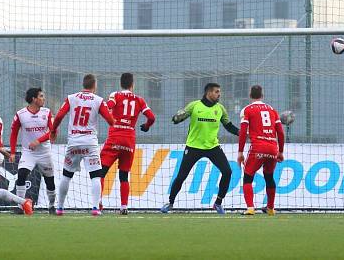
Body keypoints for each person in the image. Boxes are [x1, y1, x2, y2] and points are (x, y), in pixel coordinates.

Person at [161, 83, 239, 214]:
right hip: (193, 147)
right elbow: (178, 118)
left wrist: (241, 133)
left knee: (228, 172)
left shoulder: (220, 108)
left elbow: (229, 126)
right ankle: (170, 202)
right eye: (216, 92)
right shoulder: (194, 105)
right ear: (208, 93)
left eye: (219, 92)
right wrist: (176, 118)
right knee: (181, 176)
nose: (219, 94)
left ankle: (218, 203)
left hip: (213, 147)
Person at [51, 74, 115, 216]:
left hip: (73, 142)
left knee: (67, 175)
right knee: (96, 176)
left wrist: (54, 130)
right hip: (90, 143)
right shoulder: (98, 100)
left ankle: (60, 208)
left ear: (83, 84)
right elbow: (110, 121)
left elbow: (59, 116)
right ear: (94, 85)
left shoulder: (71, 98)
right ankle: (95, 208)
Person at [99, 73, 155, 215]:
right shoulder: (139, 99)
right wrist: (147, 126)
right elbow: (151, 117)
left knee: (100, 172)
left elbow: (108, 106)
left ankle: (97, 203)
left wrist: (110, 119)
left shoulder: (115, 95)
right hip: (129, 140)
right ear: (132, 84)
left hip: (115, 137)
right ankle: (124, 207)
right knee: (124, 175)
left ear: (121, 83)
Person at [237, 85, 284, 216]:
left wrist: (240, 152)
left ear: (250, 96)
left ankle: (250, 208)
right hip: (273, 148)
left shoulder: (247, 110)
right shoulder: (272, 110)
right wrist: (280, 151)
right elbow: (280, 132)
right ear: (262, 96)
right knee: (269, 177)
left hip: (258, 147)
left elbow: (242, 132)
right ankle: (270, 208)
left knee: (248, 177)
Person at [9, 87, 57, 214]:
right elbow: (13, 133)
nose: (43, 98)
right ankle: (20, 206)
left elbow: (53, 133)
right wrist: (13, 152)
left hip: (44, 153)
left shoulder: (47, 112)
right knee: (21, 175)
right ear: (33, 99)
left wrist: (38, 141)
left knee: (50, 182)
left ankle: (52, 206)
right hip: (28, 153)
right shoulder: (20, 114)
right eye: (41, 96)